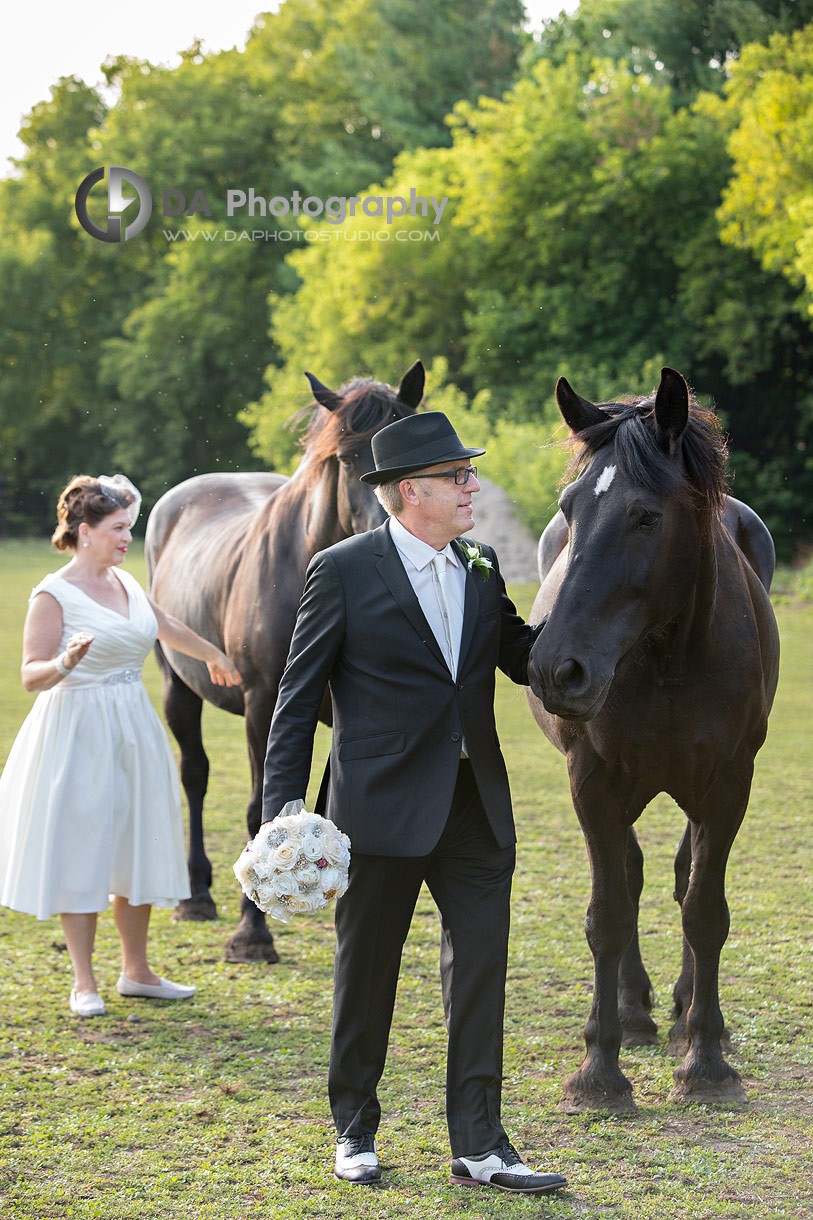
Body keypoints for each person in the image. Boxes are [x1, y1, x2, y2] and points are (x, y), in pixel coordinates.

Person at [262, 411, 567, 1195]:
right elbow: (296, 701)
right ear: (409, 492)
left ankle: (480, 1145)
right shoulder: (342, 569)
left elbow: (519, 655)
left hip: (476, 809)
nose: (473, 486)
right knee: (366, 977)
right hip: (375, 812)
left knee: (480, 977)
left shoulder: (480, 561)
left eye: (469, 473)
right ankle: (353, 1130)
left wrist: (593, 636)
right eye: (457, 476)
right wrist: (282, 811)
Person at [0, 474, 242, 1018]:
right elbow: (29, 675)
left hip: (133, 727)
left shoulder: (127, 583)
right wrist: (63, 663)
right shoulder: (52, 593)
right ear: (85, 532)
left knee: (138, 844)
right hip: (77, 729)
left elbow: (165, 625)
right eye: (118, 529)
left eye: (129, 528)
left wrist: (214, 655)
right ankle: (83, 982)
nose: (127, 538)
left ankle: (138, 971)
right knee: (83, 849)